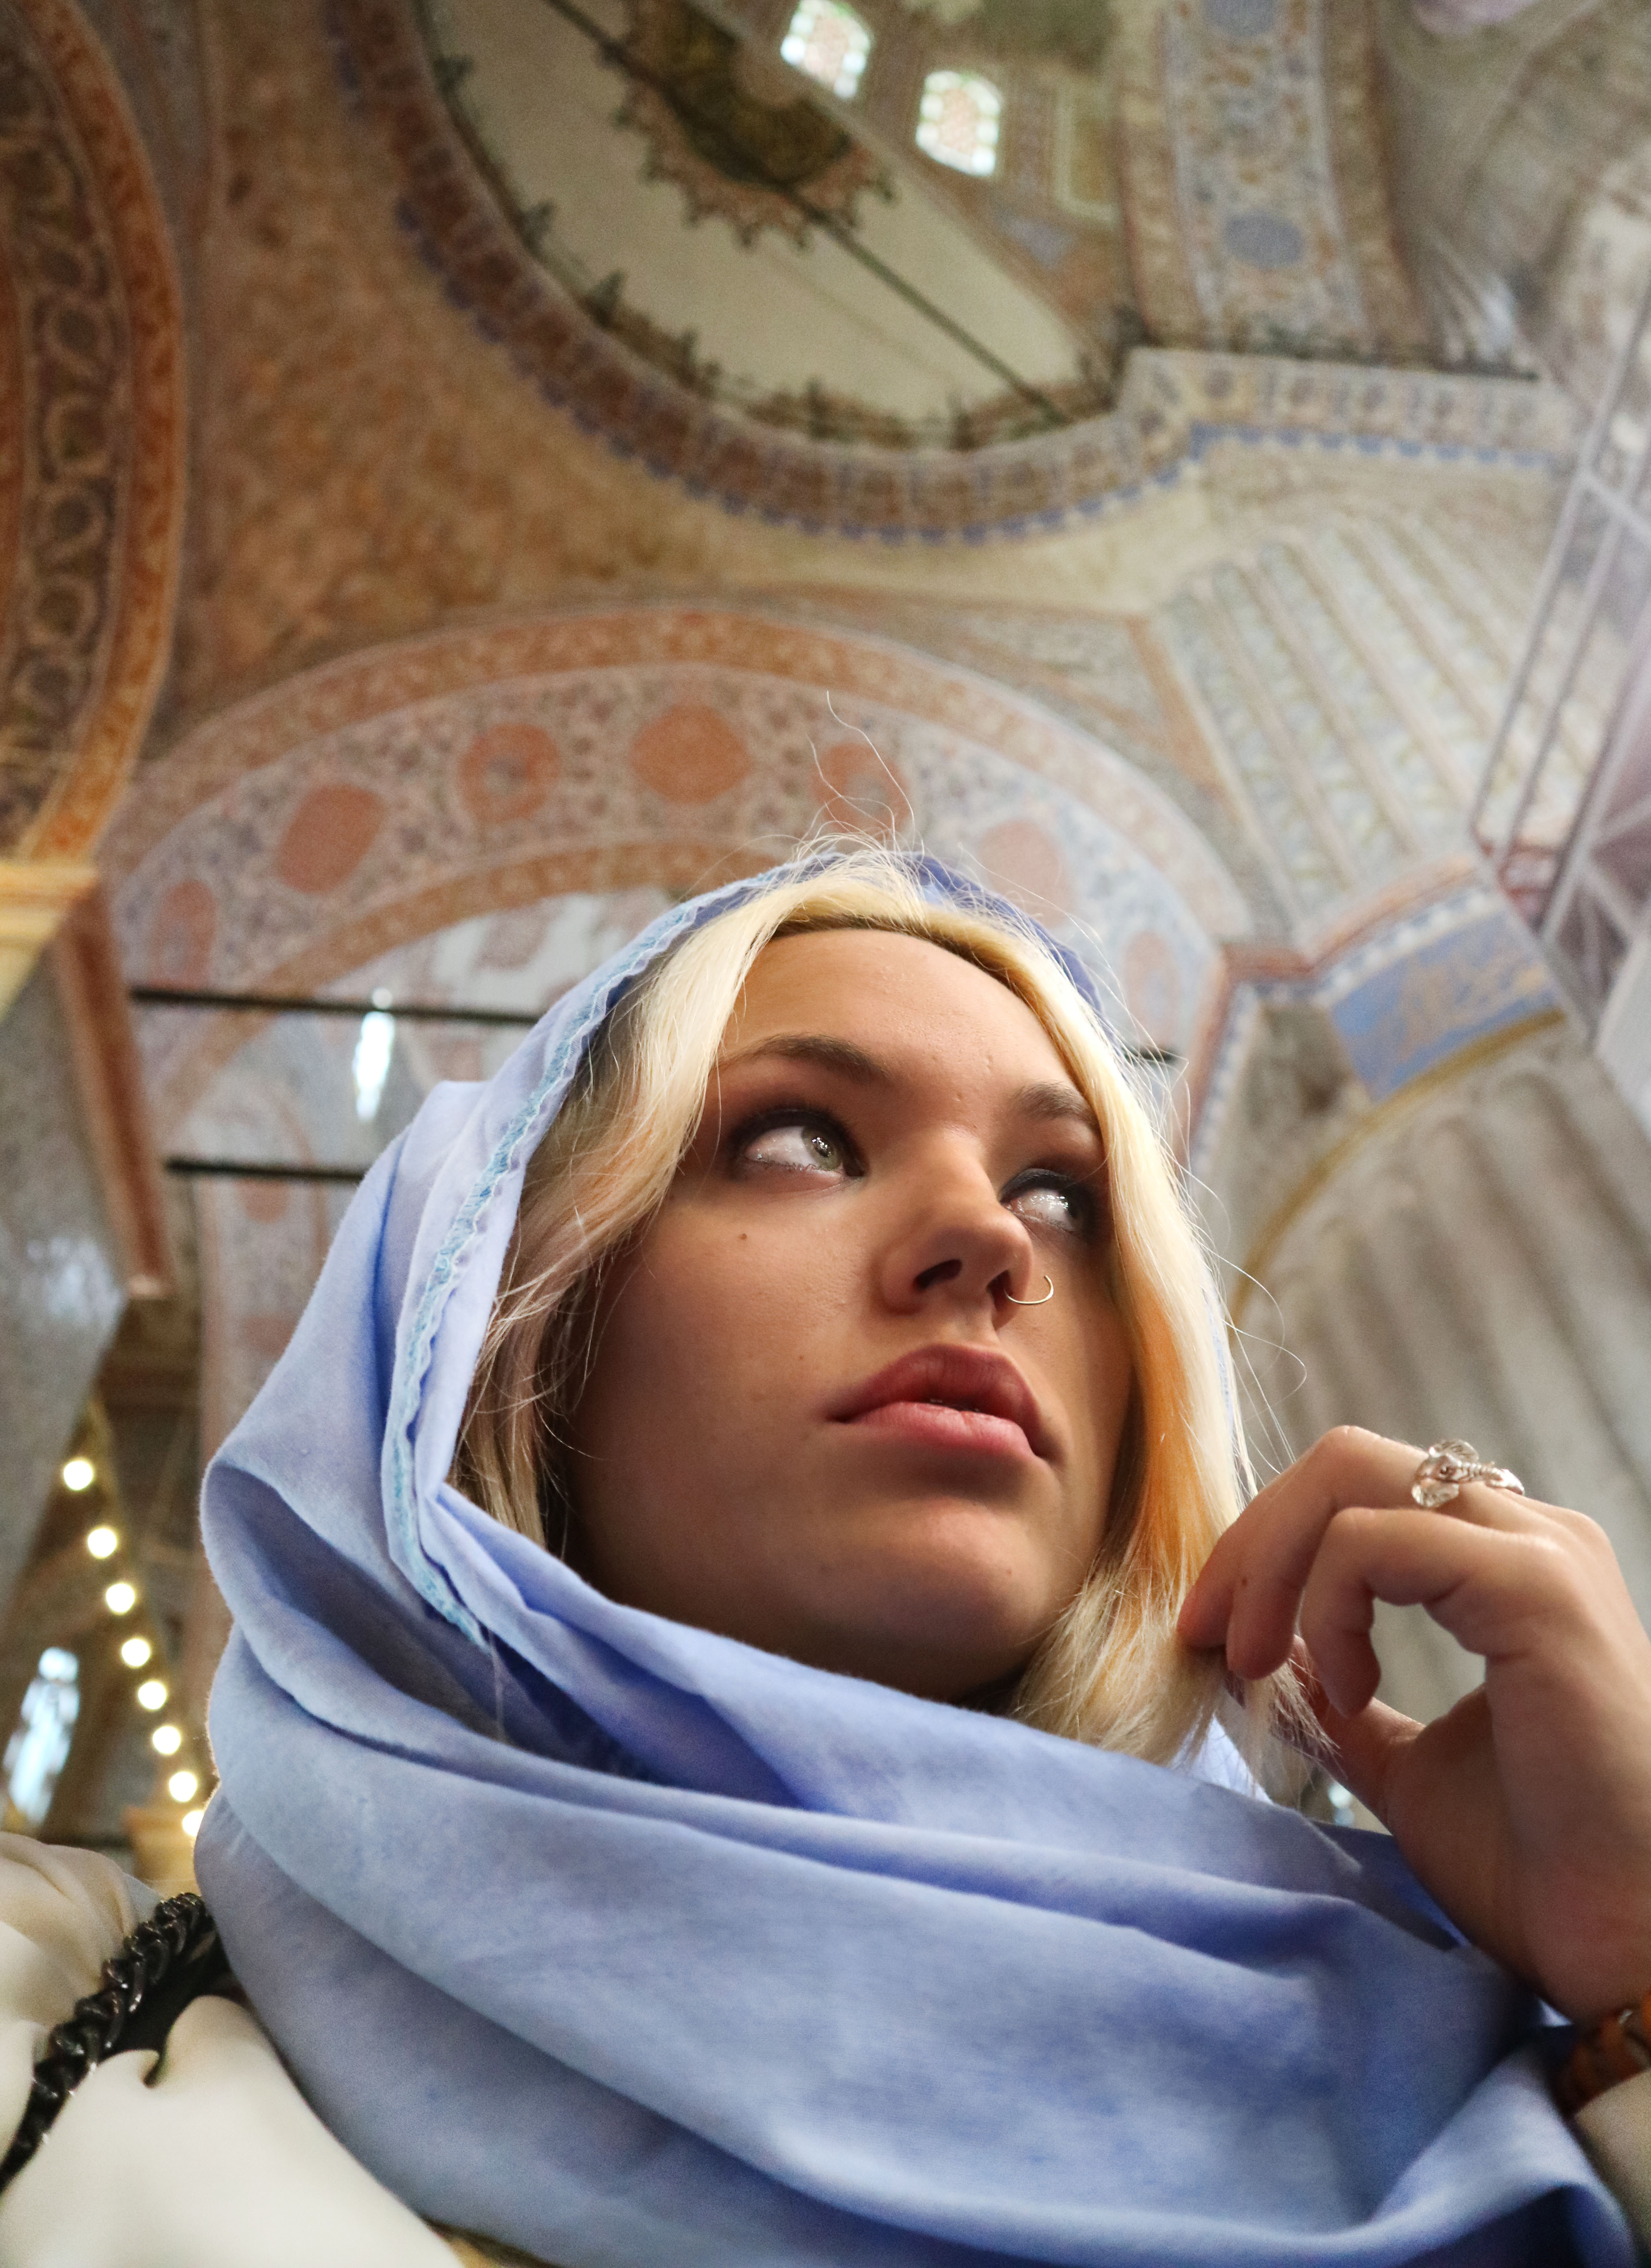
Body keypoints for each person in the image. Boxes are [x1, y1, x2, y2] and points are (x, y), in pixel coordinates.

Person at [5, 845, 1651, 2266]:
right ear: (515, 1327)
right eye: (801, 1140)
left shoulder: (1506, 2064)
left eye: (1062, 1195)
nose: (989, 1239)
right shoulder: (67, 2041)